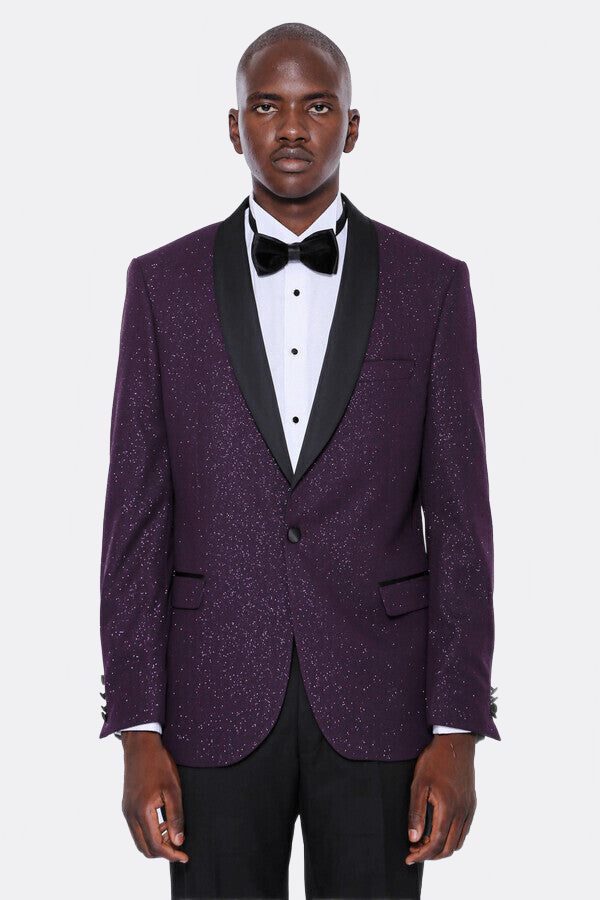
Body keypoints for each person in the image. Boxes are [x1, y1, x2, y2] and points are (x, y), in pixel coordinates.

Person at [99, 21, 500, 900]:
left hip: (383, 705)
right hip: (208, 703)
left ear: (351, 127)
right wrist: (136, 727)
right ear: (233, 126)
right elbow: (135, 518)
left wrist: (458, 728)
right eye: (266, 106)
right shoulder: (162, 285)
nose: (290, 128)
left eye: (317, 107)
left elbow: (461, 523)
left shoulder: (431, 285)